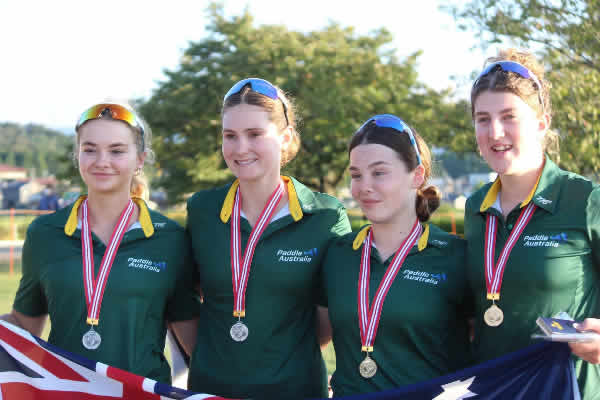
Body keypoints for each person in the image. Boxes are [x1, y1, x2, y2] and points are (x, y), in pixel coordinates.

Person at [1, 102, 200, 384]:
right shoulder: (44, 233)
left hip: (141, 394)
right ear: (77, 156)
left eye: (116, 151)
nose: (101, 161)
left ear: (140, 159)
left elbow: (192, 339)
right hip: (67, 392)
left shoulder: (170, 238)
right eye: (90, 149)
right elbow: (24, 325)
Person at [186, 78, 351, 399]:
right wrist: (213, 357)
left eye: (255, 134)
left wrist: (280, 355)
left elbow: (328, 320)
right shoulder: (202, 209)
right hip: (211, 390)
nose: (240, 148)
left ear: (285, 137)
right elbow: (185, 299)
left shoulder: (326, 216)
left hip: (296, 389)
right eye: (230, 136)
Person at [465, 49, 600, 399]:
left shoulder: (585, 199)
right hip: (494, 390)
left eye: (509, 116)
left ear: (542, 123)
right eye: (483, 119)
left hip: (566, 389)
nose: (495, 132)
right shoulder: (474, 207)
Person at [321, 114, 472, 397]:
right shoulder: (337, 254)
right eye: (356, 175)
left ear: (417, 175)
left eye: (379, 173)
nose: (364, 186)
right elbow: (314, 335)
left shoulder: (456, 256)